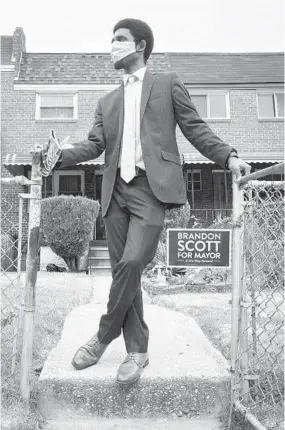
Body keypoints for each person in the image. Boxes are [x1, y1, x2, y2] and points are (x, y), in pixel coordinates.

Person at [41, 18, 251, 385]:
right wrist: (57, 157)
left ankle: (103, 335)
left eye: (120, 39)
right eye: (111, 39)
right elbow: (93, 146)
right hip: (114, 194)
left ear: (140, 45)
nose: (113, 45)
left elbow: (195, 127)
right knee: (128, 271)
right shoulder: (107, 101)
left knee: (133, 260)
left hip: (150, 189)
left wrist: (228, 157)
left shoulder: (167, 83)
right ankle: (137, 351)